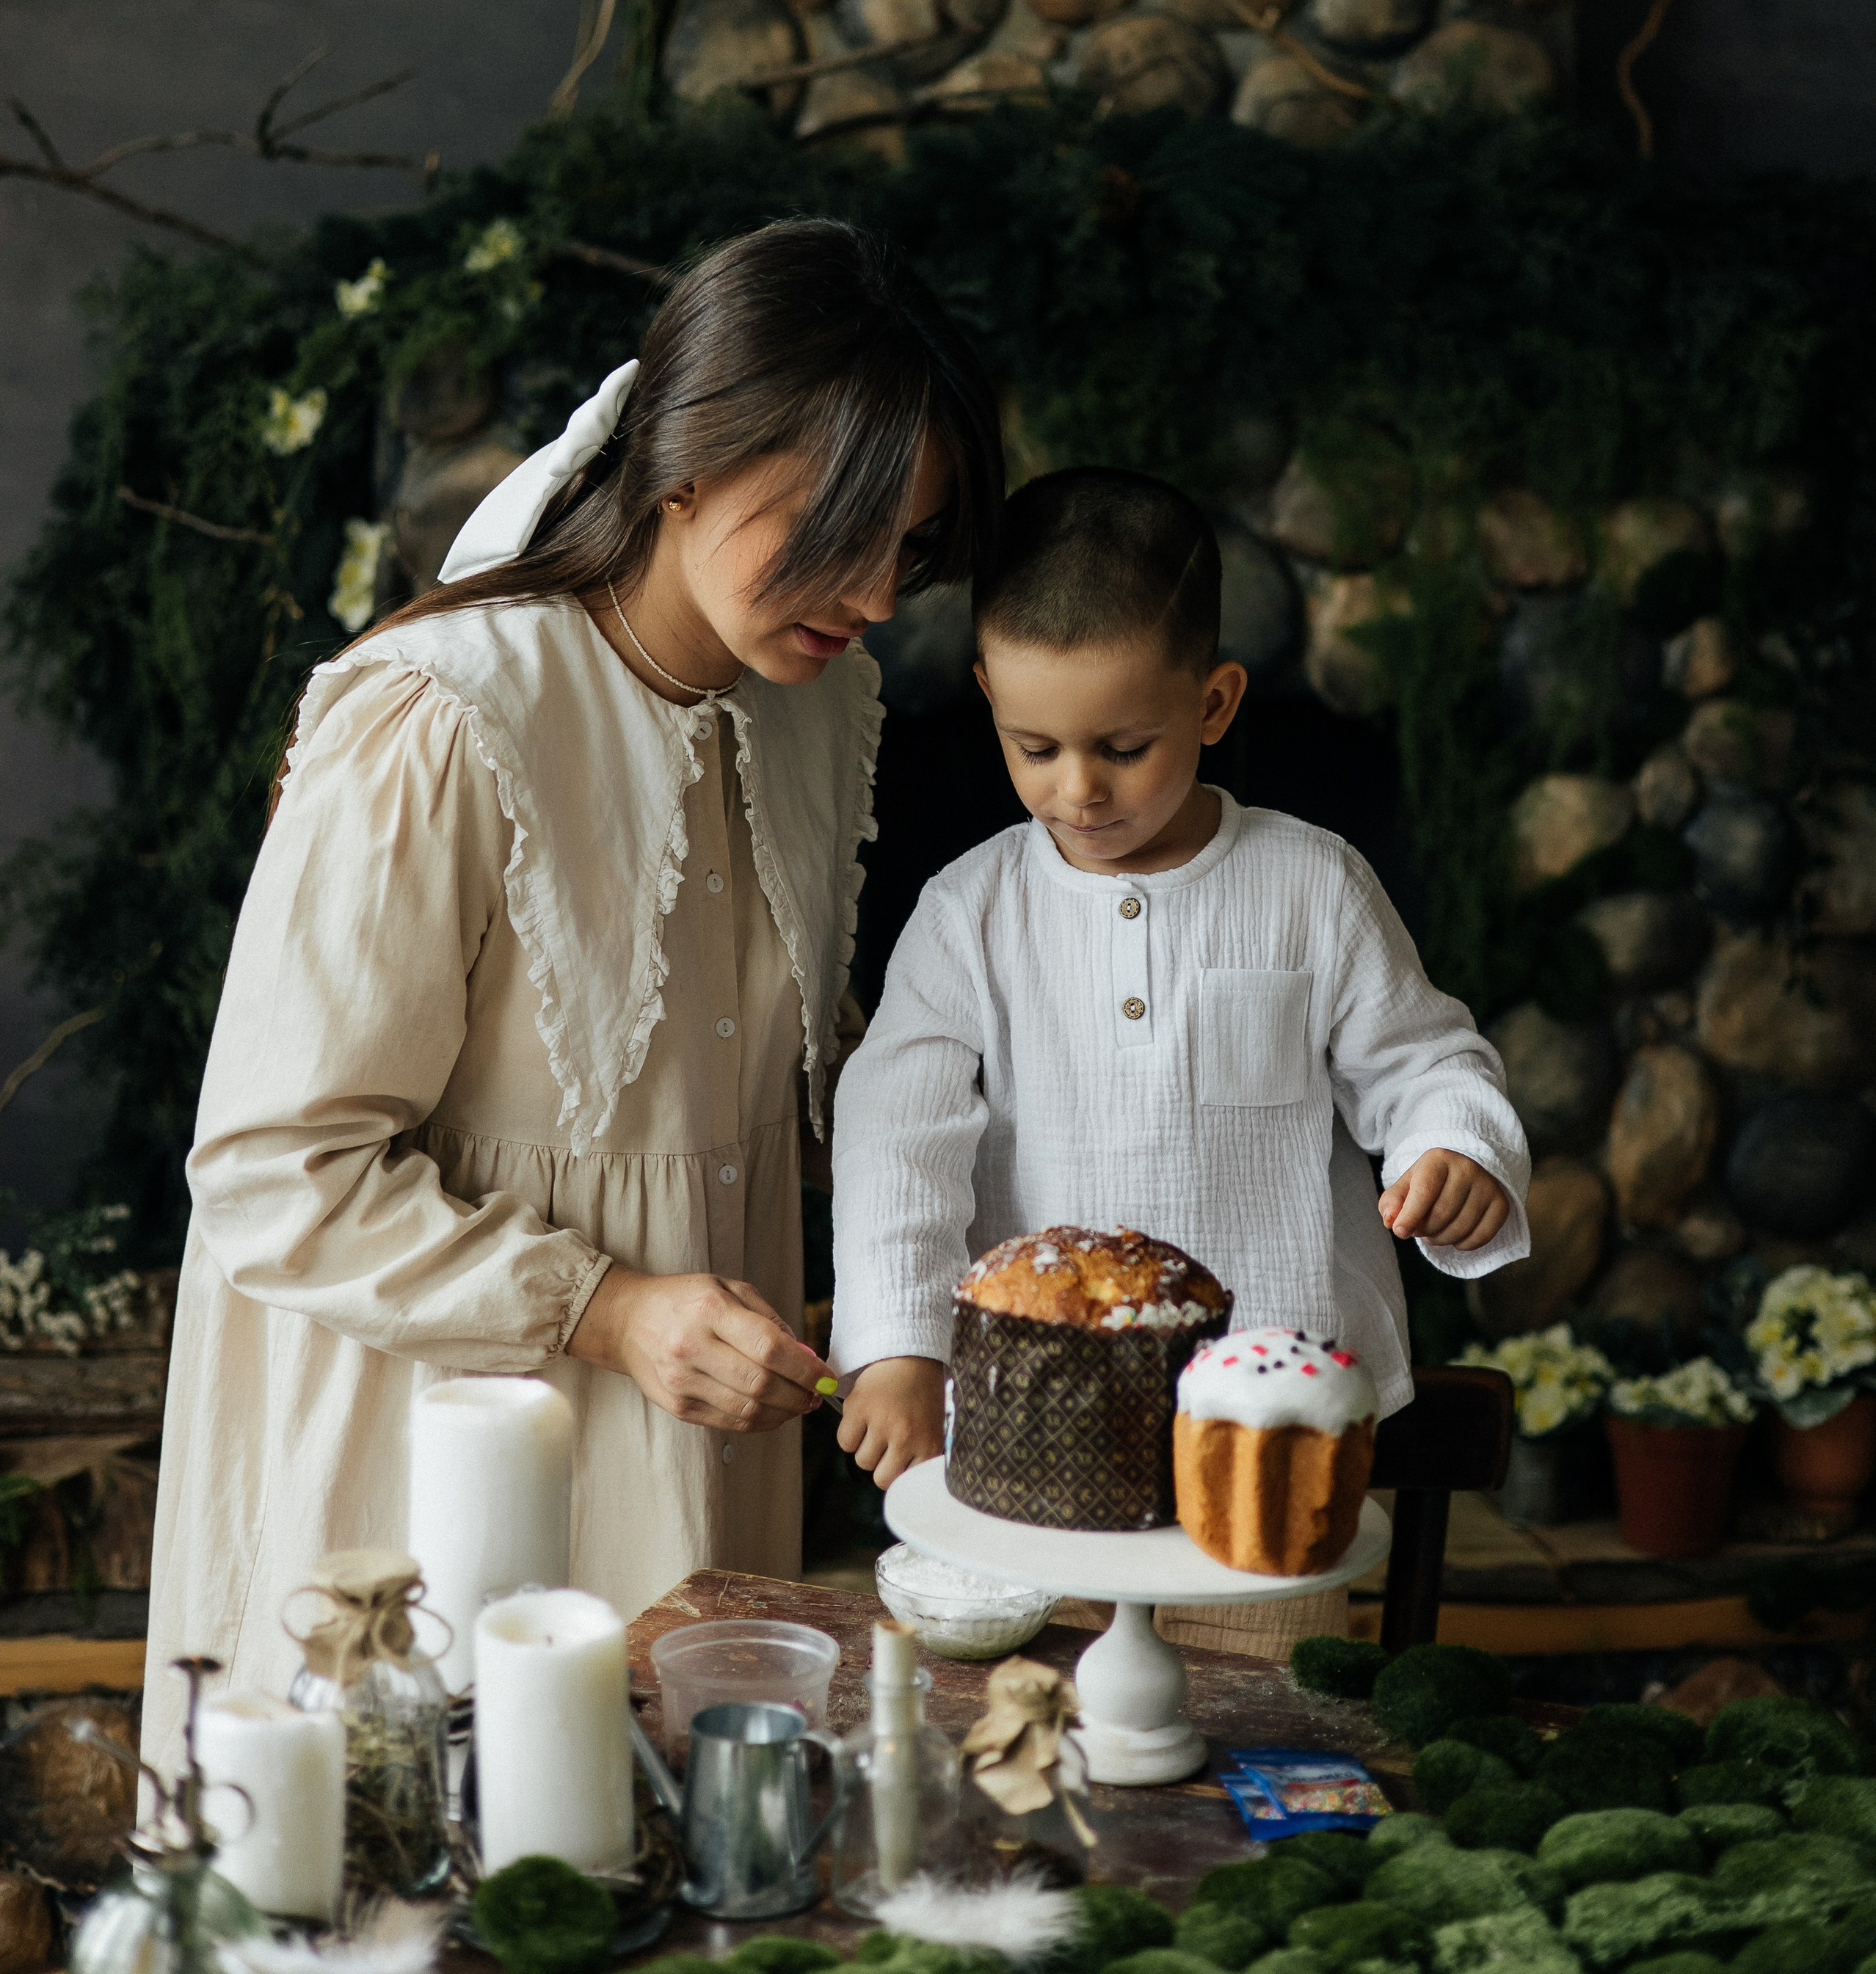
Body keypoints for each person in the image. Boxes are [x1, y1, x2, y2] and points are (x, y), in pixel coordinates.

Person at [144, 219, 1003, 1766]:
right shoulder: (441, 722)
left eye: (910, 549)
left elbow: (749, 1078)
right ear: (684, 463)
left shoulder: (809, 710)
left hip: (689, 1458)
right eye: (837, 529)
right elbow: (271, 1175)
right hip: (421, 1473)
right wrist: (605, 1310)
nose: (875, 595)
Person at [830, 467, 1530, 1653]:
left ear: (1213, 702)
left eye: (1123, 745)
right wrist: (898, 1349)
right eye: (1035, 745)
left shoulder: (1311, 885)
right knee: (1040, 1752)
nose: (1078, 788)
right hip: (1033, 1453)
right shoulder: (972, 912)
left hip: (1268, 1448)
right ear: (988, 692)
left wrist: (1454, 1144)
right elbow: (898, 1138)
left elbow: (1421, 1060)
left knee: (1260, 1738)